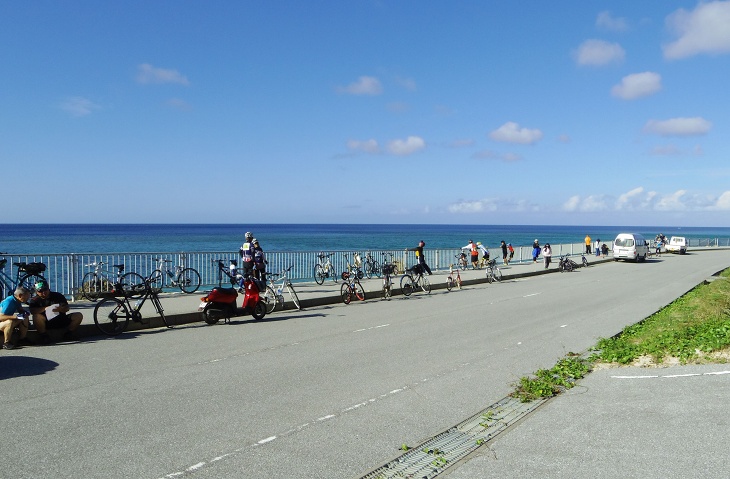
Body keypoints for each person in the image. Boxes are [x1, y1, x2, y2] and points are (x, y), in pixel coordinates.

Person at [29, 280, 83, 344]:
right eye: (40, 291)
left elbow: (67, 307)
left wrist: (61, 309)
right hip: (45, 322)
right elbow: (32, 311)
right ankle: (44, 336)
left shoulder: (57, 296)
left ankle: (69, 333)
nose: (43, 293)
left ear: (48, 288)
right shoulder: (34, 300)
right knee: (36, 316)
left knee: (78, 315)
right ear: (36, 292)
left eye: (45, 290)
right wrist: (45, 309)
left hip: (60, 319)